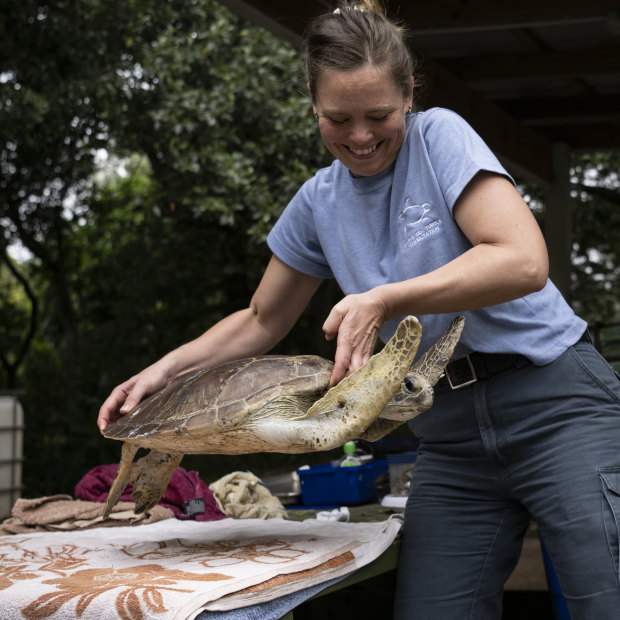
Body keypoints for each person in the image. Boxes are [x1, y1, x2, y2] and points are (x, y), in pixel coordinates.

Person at [98, 1, 620, 618]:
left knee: (603, 598)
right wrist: (165, 373)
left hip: (554, 403)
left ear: (409, 97)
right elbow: (262, 318)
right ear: (312, 108)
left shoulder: (439, 137)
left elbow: (522, 260)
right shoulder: (318, 202)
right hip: (447, 435)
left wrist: (385, 298)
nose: (361, 136)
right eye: (337, 118)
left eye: (380, 115)